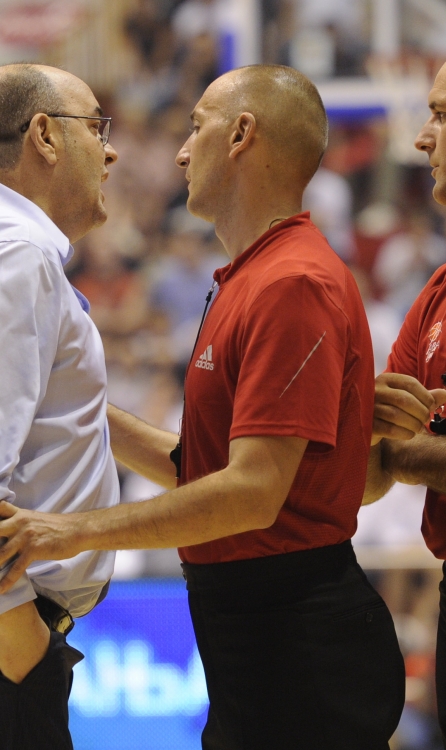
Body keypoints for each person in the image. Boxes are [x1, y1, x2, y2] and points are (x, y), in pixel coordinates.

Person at [0, 64, 405, 749]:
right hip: (254, 624)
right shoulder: (251, 277)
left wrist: (72, 531)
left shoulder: (290, 280)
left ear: (242, 135)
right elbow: (209, 470)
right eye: (97, 128)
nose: (180, 152)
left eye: (196, 127)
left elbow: (251, 490)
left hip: (294, 626)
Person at [362, 35, 446, 750]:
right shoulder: (445, 284)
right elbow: (369, 474)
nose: (421, 137)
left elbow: (396, 459)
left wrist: (404, 455)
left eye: (442, 115)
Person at [0, 64, 119, 749]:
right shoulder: (21, 254)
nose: (111, 150)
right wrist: (20, 639)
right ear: (44, 135)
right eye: (97, 126)